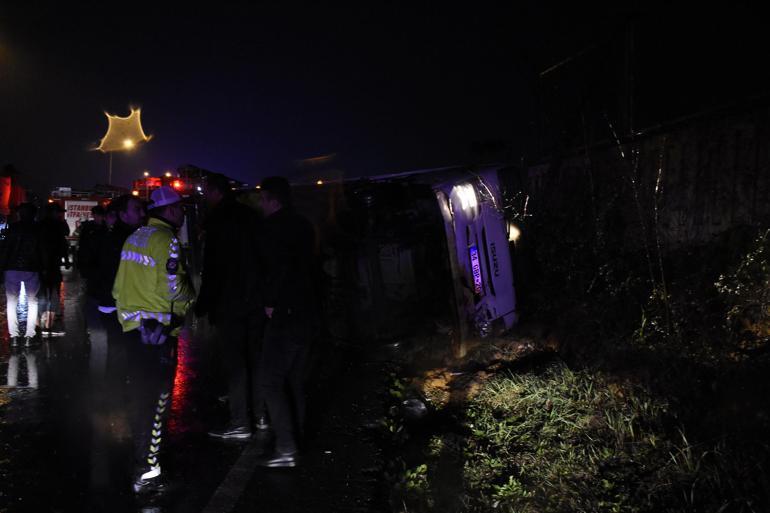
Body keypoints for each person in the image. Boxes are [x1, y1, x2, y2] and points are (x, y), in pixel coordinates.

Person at [112, 186, 195, 494]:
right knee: (158, 401)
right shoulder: (167, 241)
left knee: (140, 398)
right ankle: (147, 470)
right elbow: (175, 289)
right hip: (159, 333)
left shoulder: (134, 237)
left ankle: (141, 460)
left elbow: (118, 290)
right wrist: (191, 295)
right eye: (181, 208)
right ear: (171, 211)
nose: (183, 213)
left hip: (134, 331)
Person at [197, 174, 267, 440]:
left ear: (215, 192)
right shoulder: (251, 216)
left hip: (229, 301)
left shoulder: (218, 220)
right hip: (255, 300)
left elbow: (214, 267)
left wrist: (203, 303)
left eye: (206, 192)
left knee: (236, 363)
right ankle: (260, 415)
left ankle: (240, 421)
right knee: (256, 358)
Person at [256, 176, 317, 468]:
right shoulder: (303, 225)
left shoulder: (272, 229)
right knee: (294, 380)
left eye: (263, 199)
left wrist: (270, 302)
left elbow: (277, 269)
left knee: (270, 380)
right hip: (308, 310)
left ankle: (286, 447)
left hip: (286, 313)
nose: (260, 204)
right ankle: (297, 438)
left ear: (273, 200)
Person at [85, 195, 145, 379]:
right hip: (120, 305)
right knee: (125, 350)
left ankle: (116, 394)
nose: (143, 214)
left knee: (117, 349)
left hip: (110, 303)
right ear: (123, 215)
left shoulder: (114, 236)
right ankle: (122, 396)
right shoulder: (128, 240)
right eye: (136, 209)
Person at [0, 203, 45, 346]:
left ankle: (13, 337)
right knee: (32, 302)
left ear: (20, 214)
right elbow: (42, 251)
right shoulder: (38, 229)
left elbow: (5, 249)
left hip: (12, 268)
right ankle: (29, 336)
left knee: (12, 302)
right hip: (32, 269)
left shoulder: (12, 228)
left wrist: (2, 268)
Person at [38, 202, 70, 335]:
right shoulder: (58, 225)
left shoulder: (40, 224)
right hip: (53, 263)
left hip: (41, 264)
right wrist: (66, 259)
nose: (61, 214)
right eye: (59, 212)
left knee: (43, 292)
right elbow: (64, 240)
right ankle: (50, 323)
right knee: (53, 292)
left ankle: (42, 320)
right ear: (54, 213)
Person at [76, 205, 107, 280]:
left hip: (98, 261)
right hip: (91, 261)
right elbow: (82, 244)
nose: (96, 217)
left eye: (97, 215)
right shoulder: (88, 227)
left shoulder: (105, 227)